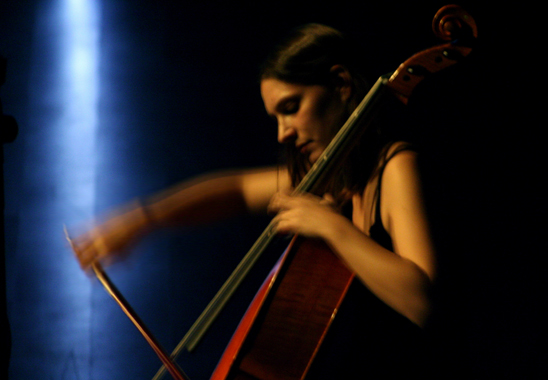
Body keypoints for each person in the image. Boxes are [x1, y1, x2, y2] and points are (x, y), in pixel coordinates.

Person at [73, 24, 438, 378]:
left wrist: (331, 226)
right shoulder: (336, 176)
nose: (283, 133)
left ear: (340, 84)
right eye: (276, 118)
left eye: (291, 107)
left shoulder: (396, 167)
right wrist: (142, 219)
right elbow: (237, 189)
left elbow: (424, 303)